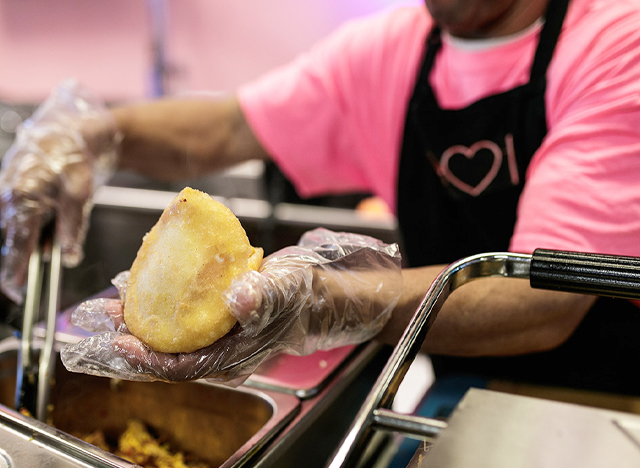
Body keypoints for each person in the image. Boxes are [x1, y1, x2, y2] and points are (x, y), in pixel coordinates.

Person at [2, 0, 640, 394]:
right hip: (459, 387)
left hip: (601, 405)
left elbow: (543, 298)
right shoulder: (392, 49)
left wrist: (323, 303)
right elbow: (229, 127)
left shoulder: (616, 46)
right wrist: (95, 133)